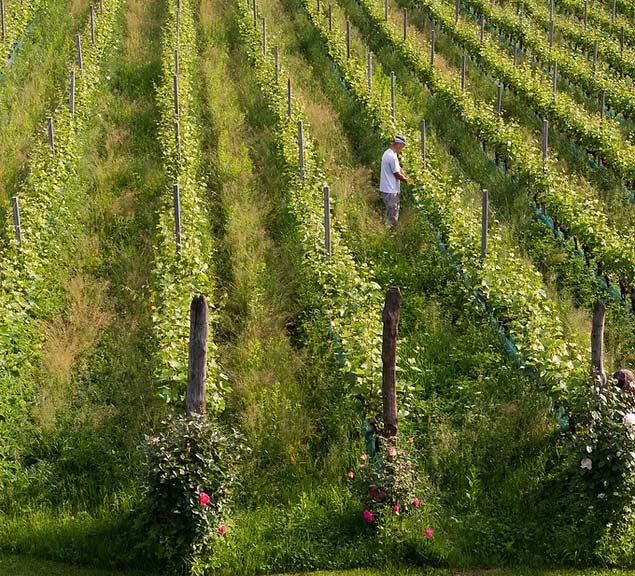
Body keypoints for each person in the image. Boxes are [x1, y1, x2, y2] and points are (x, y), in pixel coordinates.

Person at [379, 135, 408, 226]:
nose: (402, 149)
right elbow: (397, 174)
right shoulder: (392, 157)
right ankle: (390, 232)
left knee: (389, 210)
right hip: (390, 189)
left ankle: (387, 228)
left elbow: (398, 169)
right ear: (399, 144)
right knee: (392, 212)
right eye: (402, 146)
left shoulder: (388, 153)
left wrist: (403, 173)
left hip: (386, 188)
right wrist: (408, 181)